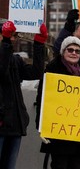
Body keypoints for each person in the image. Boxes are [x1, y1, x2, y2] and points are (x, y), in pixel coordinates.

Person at [36, 36, 80, 169]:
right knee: (59, 164)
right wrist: (41, 126)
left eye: (77, 51)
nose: (74, 53)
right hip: (58, 129)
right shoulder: (52, 69)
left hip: (77, 131)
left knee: (75, 164)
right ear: (63, 51)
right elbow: (42, 97)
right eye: (70, 49)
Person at [0, 21, 48, 169]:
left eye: (15, 36)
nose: (14, 39)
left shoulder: (15, 59)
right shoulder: (6, 55)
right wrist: (6, 42)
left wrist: (39, 44)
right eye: (10, 36)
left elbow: (35, 72)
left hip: (14, 123)